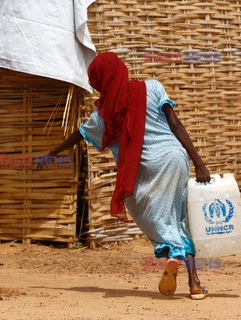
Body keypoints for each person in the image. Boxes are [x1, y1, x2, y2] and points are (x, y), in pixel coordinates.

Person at [47, 52, 210, 300]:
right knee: (179, 217)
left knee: (152, 215)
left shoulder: (102, 117)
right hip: (174, 158)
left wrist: (50, 154)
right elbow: (176, 124)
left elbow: (78, 135)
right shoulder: (153, 88)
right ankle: (195, 284)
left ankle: (173, 253)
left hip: (143, 170)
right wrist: (199, 163)